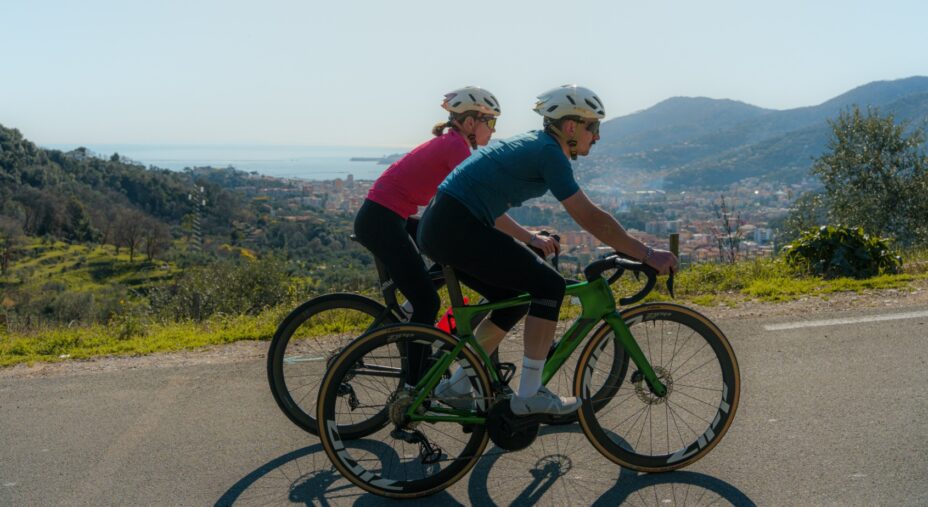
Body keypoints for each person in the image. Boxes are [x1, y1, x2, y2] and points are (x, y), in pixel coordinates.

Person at [419, 85, 678, 416]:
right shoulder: (549, 153)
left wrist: (527, 237)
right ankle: (528, 394)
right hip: (454, 227)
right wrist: (647, 253)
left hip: (445, 224)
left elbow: (482, 200)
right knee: (550, 286)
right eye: (593, 127)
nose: (596, 137)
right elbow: (589, 216)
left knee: (512, 300)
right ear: (570, 126)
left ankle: (456, 385)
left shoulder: (536, 145)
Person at [353, 86, 501, 387]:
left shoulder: (451, 143)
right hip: (382, 219)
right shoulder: (456, 148)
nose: (494, 131)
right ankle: (415, 383)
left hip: (390, 215)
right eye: (492, 123)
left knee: (446, 248)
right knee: (428, 303)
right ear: (471, 123)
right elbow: (477, 200)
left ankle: (409, 312)